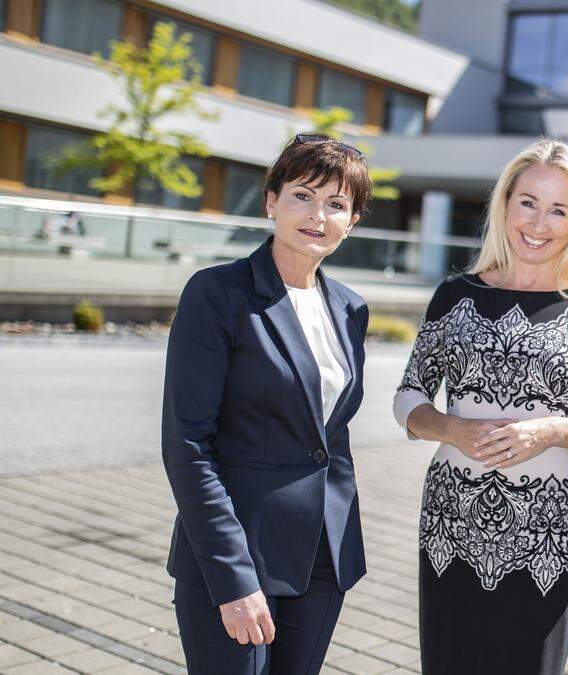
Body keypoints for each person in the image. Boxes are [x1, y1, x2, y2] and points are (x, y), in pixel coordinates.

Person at [393, 139, 568, 674]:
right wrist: (452, 428)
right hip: (451, 519)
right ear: (504, 204)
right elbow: (409, 396)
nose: (540, 222)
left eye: (560, 210)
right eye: (528, 202)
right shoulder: (455, 294)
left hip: (550, 529)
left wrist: (551, 429)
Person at [162, 133, 372, 674]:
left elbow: (331, 436)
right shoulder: (218, 294)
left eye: (337, 204)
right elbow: (187, 445)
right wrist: (232, 577)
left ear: (353, 221)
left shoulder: (350, 308)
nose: (317, 215)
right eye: (303, 195)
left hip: (324, 554)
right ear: (272, 200)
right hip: (240, 554)